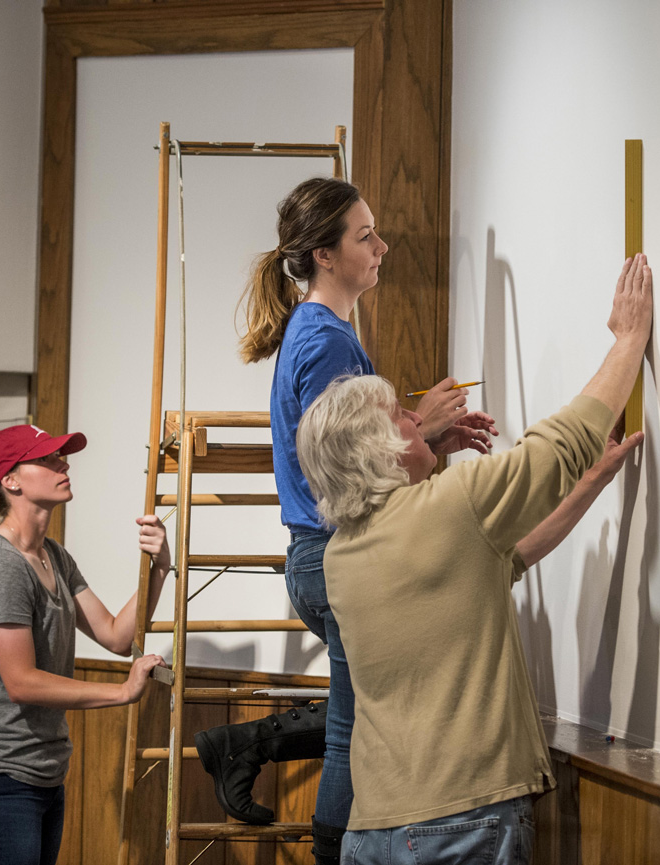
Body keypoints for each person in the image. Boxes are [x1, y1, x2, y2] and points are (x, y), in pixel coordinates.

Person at [294, 255, 652, 865]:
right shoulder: (449, 506)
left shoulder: (342, 556)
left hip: (373, 830)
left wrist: (590, 482)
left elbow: (506, 558)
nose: (416, 421)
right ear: (383, 450)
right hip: (459, 823)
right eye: (402, 419)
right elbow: (560, 443)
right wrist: (628, 341)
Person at [191, 177, 495, 864]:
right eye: (365, 235)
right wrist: (426, 429)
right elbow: (347, 471)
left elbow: (356, 458)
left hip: (320, 555)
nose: (381, 246)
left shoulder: (319, 330)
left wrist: (430, 441)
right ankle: (308, 820)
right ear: (325, 255)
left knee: (362, 716)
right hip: (332, 554)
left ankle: (243, 744)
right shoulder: (326, 340)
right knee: (355, 726)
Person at [0, 424, 170, 865]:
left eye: (61, 456)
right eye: (47, 459)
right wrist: (122, 692)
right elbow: (21, 683)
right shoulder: (2, 565)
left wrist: (159, 567)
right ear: (11, 481)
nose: (63, 464)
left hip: (43, 778)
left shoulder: (55, 556)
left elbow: (116, 636)